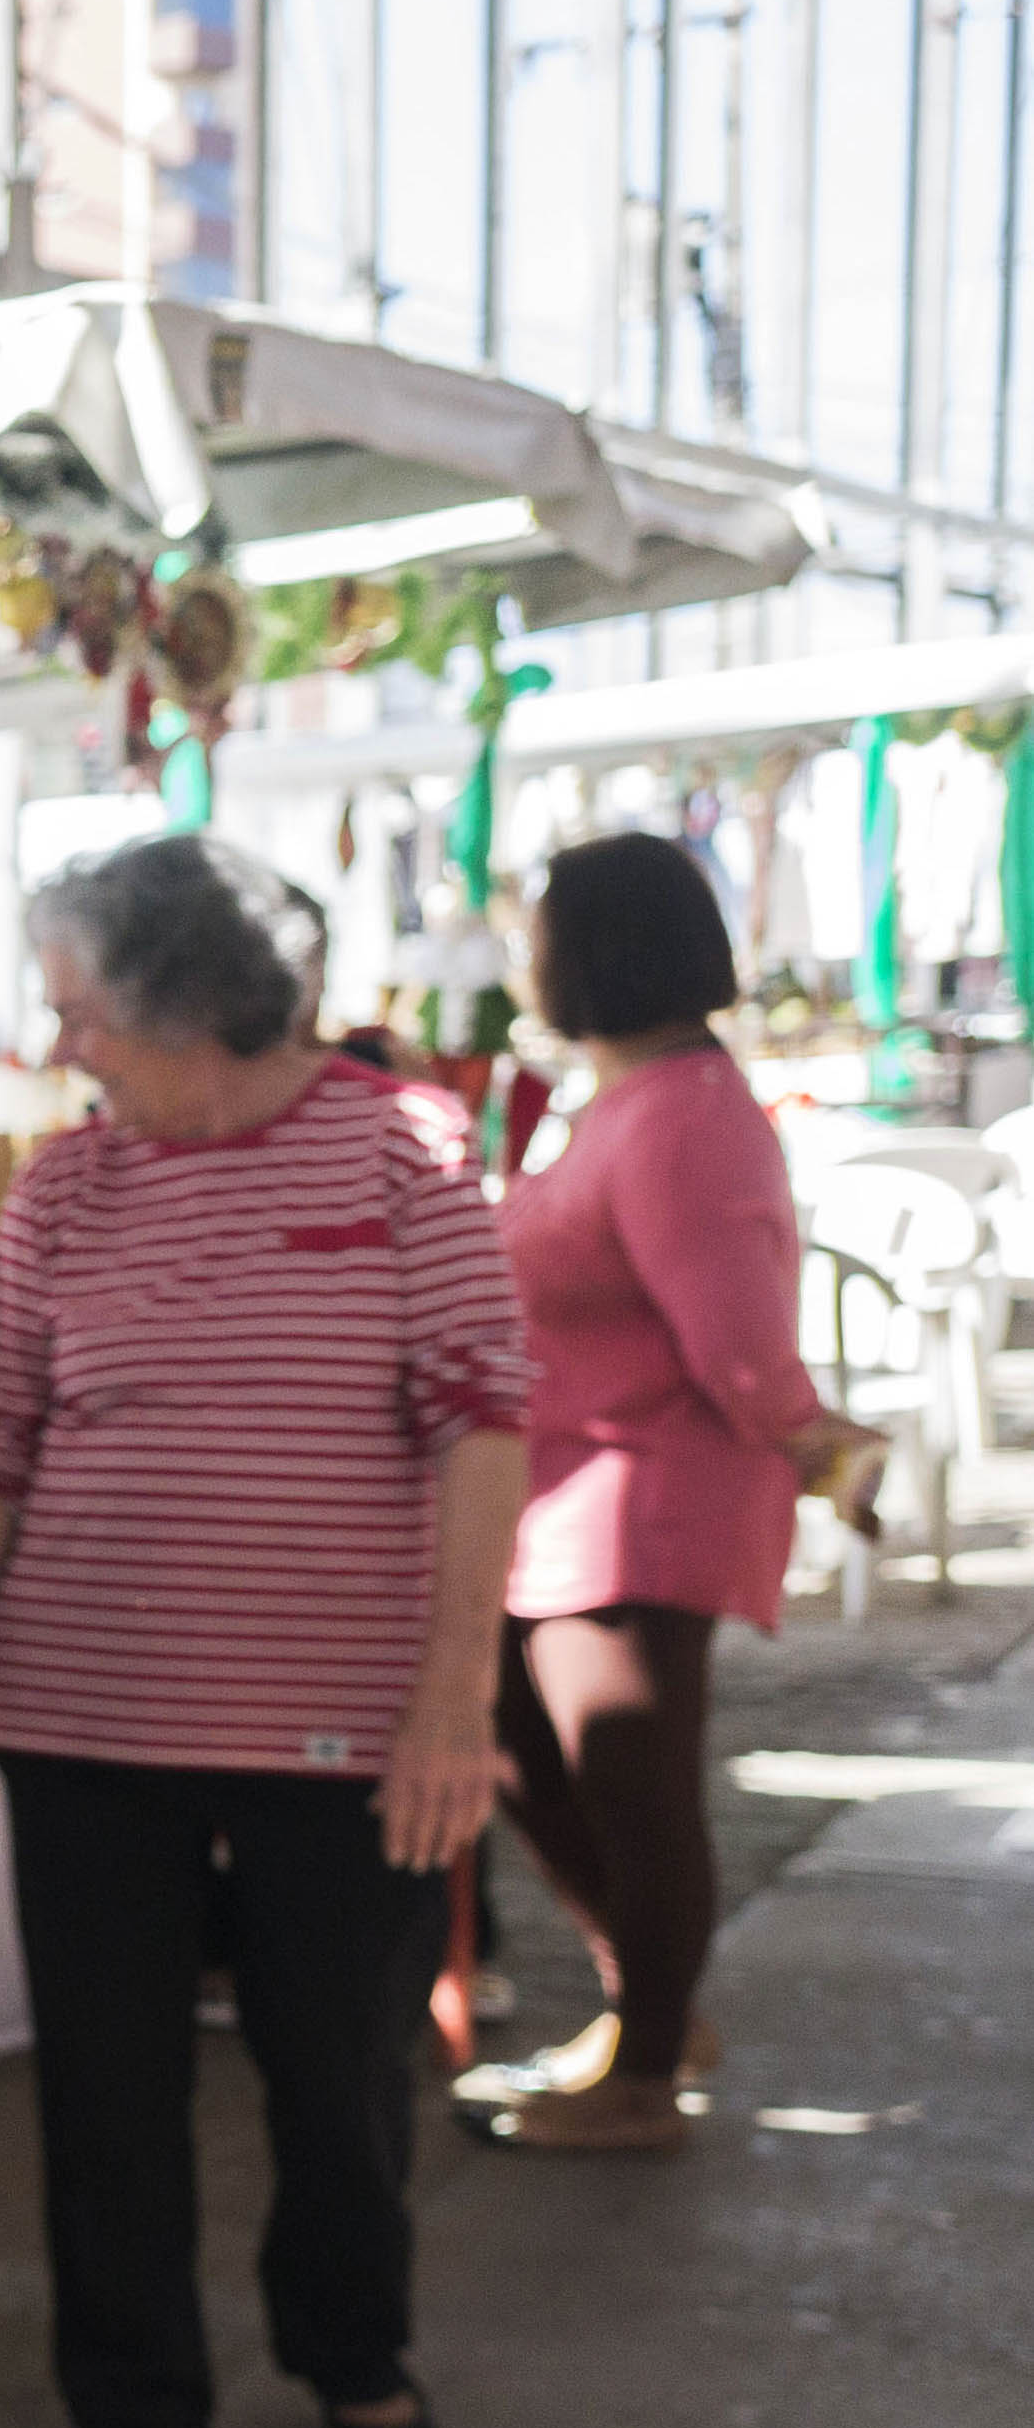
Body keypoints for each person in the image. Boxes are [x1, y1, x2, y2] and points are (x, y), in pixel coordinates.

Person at [0, 834, 532, 2428]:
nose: (62, 1050)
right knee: (102, 2094)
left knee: (336, 2076)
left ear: (188, 1004)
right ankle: (131, 2414)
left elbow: (481, 1419)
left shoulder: (399, 1149)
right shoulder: (60, 1191)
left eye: (82, 1015)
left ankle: (350, 2349)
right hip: (82, 1717)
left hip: (342, 1724)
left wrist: (453, 1693)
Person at [456, 834, 829, 2153]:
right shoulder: (625, 1094)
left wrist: (810, 1440)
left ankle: (645, 2072)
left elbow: (737, 1340)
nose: (521, 959)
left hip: (642, 1501)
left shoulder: (680, 1111)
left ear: (595, 948)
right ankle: (648, 2017)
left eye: (535, 934)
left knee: (630, 1789)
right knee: (522, 1752)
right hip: (561, 1498)